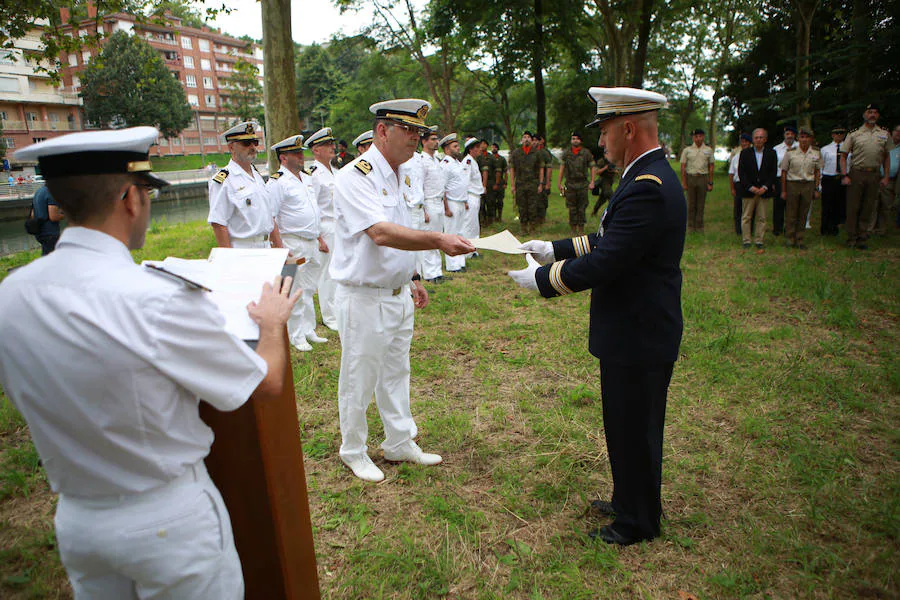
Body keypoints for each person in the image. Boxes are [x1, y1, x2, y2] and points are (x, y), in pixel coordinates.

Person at [0, 126, 299, 597]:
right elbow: (265, 385)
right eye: (146, 192)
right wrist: (273, 323)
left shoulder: (11, 294)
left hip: (79, 521)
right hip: (166, 519)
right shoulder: (157, 298)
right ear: (130, 199)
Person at [509, 86, 685, 546]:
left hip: (639, 330)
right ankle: (629, 499)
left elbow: (610, 260)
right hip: (634, 327)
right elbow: (611, 238)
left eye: (604, 130)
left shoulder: (647, 186)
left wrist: (545, 279)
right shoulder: (643, 175)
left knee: (635, 427)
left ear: (628, 128)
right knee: (625, 423)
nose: (600, 141)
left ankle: (638, 521)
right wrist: (554, 248)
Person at [329, 99, 474, 482]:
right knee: (359, 377)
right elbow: (379, 232)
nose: (417, 138)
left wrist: (412, 278)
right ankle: (354, 449)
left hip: (396, 293)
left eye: (419, 132)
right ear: (382, 132)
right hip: (363, 297)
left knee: (396, 372)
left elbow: (400, 225)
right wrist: (438, 240)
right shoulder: (355, 176)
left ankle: (398, 441)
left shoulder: (404, 172)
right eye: (408, 130)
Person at [268, 134, 330, 351]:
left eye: (300, 152)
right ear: (283, 158)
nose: (300, 156)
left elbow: (314, 211)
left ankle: (308, 329)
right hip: (293, 242)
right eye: (295, 153)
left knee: (309, 288)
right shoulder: (278, 182)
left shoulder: (306, 178)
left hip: (312, 241)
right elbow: (271, 217)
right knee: (294, 288)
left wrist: (320, 238)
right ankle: (296, 335)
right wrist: (280, 246)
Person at [208, 121, 283, 249]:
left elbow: (269, 216)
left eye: (255, 142)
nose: (253, 147)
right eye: (246, 143)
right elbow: (218, 224)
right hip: (244, 248)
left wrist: (280, 248)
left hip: (266, 246)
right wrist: (229, 258)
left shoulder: (256, 175)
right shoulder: (224, 180)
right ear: (231, 147)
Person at [840, 104, 891, 249]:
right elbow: (843, 156)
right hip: (857, 173)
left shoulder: (884, 134)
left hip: (874, 174)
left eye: (875, 112)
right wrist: (844, 175)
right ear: (864, 115)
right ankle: (851, 237)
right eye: (869, 112)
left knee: (868, 206)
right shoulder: (854, 134)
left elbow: (887, 157)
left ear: (878, 115)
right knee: (853, 206)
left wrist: (886, 176)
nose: (872, 115)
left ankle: (862, 237)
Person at [307, 127, 340, 330]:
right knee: (327, 274)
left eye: (332, 144)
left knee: (338, 271)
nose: (332, 147)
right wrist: (318, 236)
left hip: (339, 226)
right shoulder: (313, 174)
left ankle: (339, 309)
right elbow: (313, 207)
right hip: (326, 226)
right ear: (315, 150)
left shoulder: (335, 172)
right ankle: (330, 316)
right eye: (327, 145)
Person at [780, 128, 821, 248]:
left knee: (803, 213)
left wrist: (816, 188)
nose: (804, 140)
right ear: (798, 139)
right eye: (802, 137)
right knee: (791, 212)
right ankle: (790, 237)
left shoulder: (816, 153)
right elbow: (784, 172)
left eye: (807, 137)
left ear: (811, 139)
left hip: (808, 184)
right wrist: (783, 190)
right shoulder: (790, 152)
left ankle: (800, 238)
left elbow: (817, 172)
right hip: (793, 183)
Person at [737, 128, 778, 249]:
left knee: (762, 217)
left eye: (761, 137)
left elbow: (773, 172)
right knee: (746, 217)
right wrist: (750, 187)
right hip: (749, 190)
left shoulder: (771, 153)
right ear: (753, 139)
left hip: (764, 191)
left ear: (765, 139)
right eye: (756, 137)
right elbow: (741, 172)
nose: (758, 140)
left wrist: (765, 187)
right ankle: (746, 240)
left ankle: (759, 240)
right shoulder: (745, 153)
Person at [419, 127, 448, 283]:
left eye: (437, 139)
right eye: (432, 139)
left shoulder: (436, 160)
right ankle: (430, 274)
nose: (436, 142)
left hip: (438, 202)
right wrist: (423, 209)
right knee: (429, 239)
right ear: (424, 141)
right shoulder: (422, 161)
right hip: (429, 203)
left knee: (438, 237)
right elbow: (420, 186)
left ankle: (437, 271)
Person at [439, 133, 469, 273]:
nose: (458, 149)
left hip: (461, 202)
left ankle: (460, 262)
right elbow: (442, 188)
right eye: (455, 146)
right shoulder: (445, 165)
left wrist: (466, 201)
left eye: (458, 146)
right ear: (446, 149)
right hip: (451, 203)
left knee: (461, 233)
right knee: (451, 234)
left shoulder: (458, 163)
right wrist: (446, 207)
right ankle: (452, 265)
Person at [558, 131, 597, 235]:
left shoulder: (586, 153)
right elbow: (562, 168)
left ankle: (581, 228)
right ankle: (573, 228)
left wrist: (592, 181)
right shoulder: (566, 153)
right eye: (573, 139)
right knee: (571, 207)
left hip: (582, 184)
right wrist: (559, 182)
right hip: (570, 184)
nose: (575, 141)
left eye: (577, 139)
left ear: (580, 141)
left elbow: (592, 167)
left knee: (582, 206)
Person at [508, 131, 545, 235]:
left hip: (533, 183)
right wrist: (512, 185)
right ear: (522, 140)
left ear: (531, 140)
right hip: (520, 184)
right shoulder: (516, 153)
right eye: (524, 137)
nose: (527, 139)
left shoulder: (537, 153)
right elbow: (512, 169)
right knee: (522, 206)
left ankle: (532, 227)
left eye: (528, 137)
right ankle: (523, 228)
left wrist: (541, 183)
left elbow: (541, 168)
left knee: (533, 206)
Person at [679, 128, 714, 232]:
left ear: (703, 137)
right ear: (693, 138)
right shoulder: (687, 150)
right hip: (691, 177)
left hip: (703, 177)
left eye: (700, 136)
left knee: (701, 203)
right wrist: (684, 182)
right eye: (695, 136)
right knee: (691, 203)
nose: (698, 138)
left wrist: (710, 182)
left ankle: (699, 226)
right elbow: (683, 167)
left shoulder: (708, 150)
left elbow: (711, 166)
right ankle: (690, 225)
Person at [819, 126, 847, 236]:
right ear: (832, 135)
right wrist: (820, 182)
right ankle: (825, 228)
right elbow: (821, 166)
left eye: (841, 133)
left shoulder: (849, 148)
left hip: (842, 178)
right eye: (837, 133)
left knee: (839, 204)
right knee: (827, 205)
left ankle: (835, 227)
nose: (839, 135)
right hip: (829, 178)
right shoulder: (825, 149)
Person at [773, 125, 798, 236]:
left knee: (792, 205)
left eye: (792, 134)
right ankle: (777, 228)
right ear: (784, 135)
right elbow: (773, 167)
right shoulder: (777, 149)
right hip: (779, 179)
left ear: (795, 135)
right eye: (787, 134)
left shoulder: (800, 147)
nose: (790, 136)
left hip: (794, 178)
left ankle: (790, 228)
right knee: (778, 205)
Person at [874, 124, 900, 235]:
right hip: (875, 178)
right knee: (872, 205)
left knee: (886, 206)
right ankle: (868, 229)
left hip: (890, 181)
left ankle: (881, 230)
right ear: (892, 131)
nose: (898, 133)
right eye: (897, 131)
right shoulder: (881, 144)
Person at [462, 137, 485, 253]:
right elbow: (464, 181)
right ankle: (467, 250)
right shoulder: (467, 162)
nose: (479, 150)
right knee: (469, 224)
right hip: (470, 196)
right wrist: (464, 200)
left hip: (476, 196)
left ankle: (474, 249)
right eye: (477, 148)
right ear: (470, 149)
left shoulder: (473, 161)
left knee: (475, 225)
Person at [30, 184, 65, 254]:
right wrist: (66, 215)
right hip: (50, 232)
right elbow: (53, 217)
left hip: (39, 232)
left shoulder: (39, 192)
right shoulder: (51, 193)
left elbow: (32, 215)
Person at [729, 133, 752, 235]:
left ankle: (750, 229)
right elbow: (731, 173)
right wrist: (732, 188)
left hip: (750, 184)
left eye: (746, 142)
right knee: (738, 208)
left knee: (750, 209)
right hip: (739, 184)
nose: (744, 144)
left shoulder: (754, 156)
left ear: (750, 143)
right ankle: (739, 230)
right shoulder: (736, 157)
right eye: (742, 142)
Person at [591, 146, 615, 217]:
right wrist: (605, 168)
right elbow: (597, 172)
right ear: (604, 154)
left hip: (610, 180)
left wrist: (613, 171)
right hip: (604, 180)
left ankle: (594, 211)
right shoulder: (601, 161)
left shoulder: (612, 161)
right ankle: (614, 212)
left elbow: (617, 170)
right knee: (611, 196)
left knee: (602, 199)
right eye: (606, 153)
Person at [488, 143, 508, 222]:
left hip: (500, 183)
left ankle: (499, 216)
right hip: (492, 182)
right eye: (492, 147)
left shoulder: (502, 159)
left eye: (495, 147)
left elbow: (506, 172)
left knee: (500, 201)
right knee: (491, 200)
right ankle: (492, 217)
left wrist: (505, 183)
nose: (493, 149)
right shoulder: (489, 159)